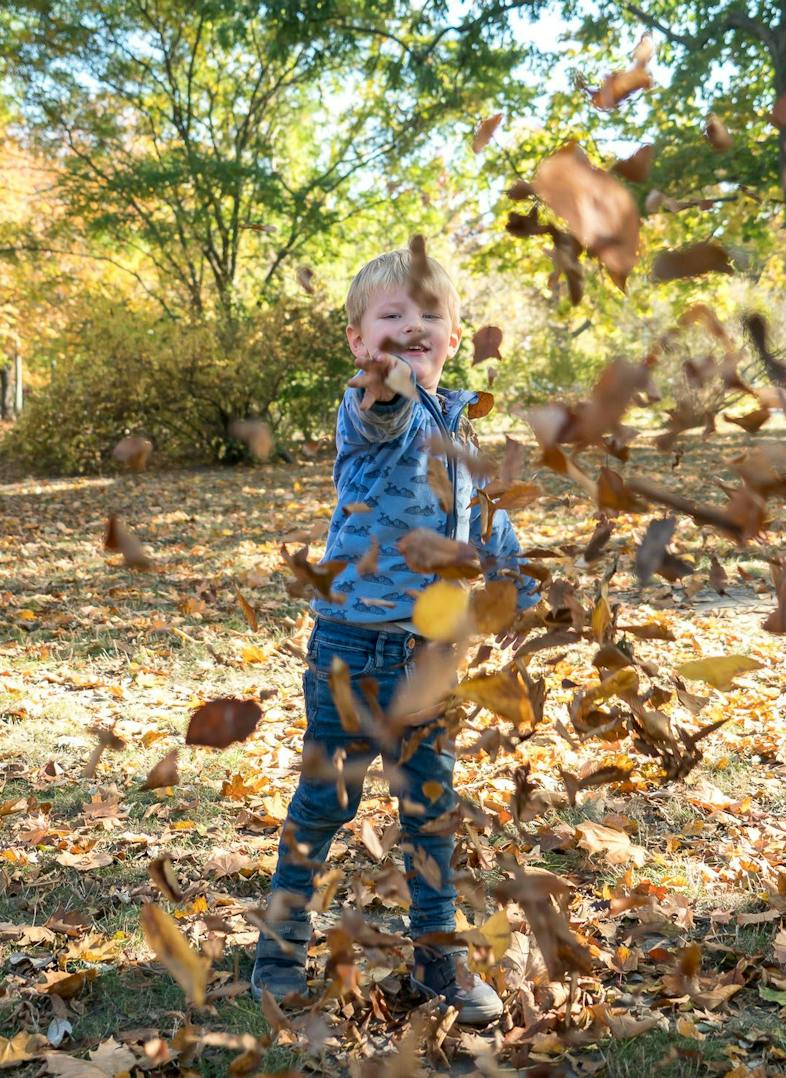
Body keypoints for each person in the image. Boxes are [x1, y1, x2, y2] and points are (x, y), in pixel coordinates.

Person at [249, 245, 537, 1025]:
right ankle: (277, 954)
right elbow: (386, 410)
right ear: (357, 342)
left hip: (428, 661)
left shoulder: (459, 428)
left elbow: (487, 520)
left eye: (428, 316)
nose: (413, 327)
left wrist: (522, 583)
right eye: (392, 316)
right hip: (353, 650)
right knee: (322, 808)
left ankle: (439, 966)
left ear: (453, 337)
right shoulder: (372, 410)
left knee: (431, 814)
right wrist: (388, 385)